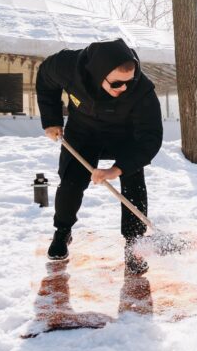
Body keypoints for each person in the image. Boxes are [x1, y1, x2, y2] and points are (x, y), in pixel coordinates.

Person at [37, 38, 162, 275]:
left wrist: (118, 169)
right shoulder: (68, 66)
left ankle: (134, 245)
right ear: (98, 73)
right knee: (71, 182)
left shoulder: (142, 90)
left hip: (125, 136)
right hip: (83, 132)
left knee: (134, 183)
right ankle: (62, 232)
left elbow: (150, 139)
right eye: (117, 83)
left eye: (129, 81)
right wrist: (51, 120)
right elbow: (45, 77)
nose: (124, 88)